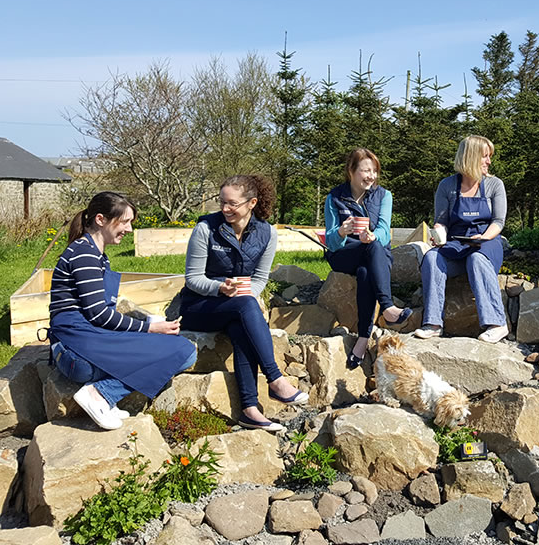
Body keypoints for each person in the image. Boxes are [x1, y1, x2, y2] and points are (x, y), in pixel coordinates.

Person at [48, 192, 196, 431]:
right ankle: (100, 394)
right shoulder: (84, 254)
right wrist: (150, 327)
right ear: (100, 219)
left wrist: (148, 329)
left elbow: (97, 313)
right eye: (124, 221)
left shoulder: (96, 254)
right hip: (75, 348)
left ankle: (103, 394)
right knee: (184, 351)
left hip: (86, 337)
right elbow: (99, 315)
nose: (128, 228)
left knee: (173, 349)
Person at [182, 175, 308, 432]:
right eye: (222, 203)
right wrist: (219, 287)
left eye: (232, 204)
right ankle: (275, 379)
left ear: (251, 203)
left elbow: (260, 278)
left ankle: (249, 410)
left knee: (242, 326)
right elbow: (193, 278)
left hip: (236, 308)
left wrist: (247, 293)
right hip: (199, 307)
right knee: (246, 306)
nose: (225, 209)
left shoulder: (267, 233)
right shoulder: (206, 228)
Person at [414, 135, 509, 343]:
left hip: (487, 243)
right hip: (457, 244)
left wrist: (483, 237)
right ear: (471, 157)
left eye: (489, 157)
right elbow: (441, 221)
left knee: (476, 258)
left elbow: (499, 222)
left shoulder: (494, 185)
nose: (489, 161)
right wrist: (438, 233)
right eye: (485, 156)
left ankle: (497, 323)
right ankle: (433, 324)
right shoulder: (447, 186)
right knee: (431, 258)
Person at [324, 149, 411, 369]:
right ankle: (388, 306)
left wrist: (373, 236)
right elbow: (331, 242)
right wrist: (342, 232)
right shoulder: (334, 198)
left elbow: (383, 229)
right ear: (351, 171)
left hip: (376, 254)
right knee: (367, 254)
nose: (371, 176)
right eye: (366, 170)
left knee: (365, 271)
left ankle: (363, 338)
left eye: (374, 171)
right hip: (345, 254)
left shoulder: (383, 195)